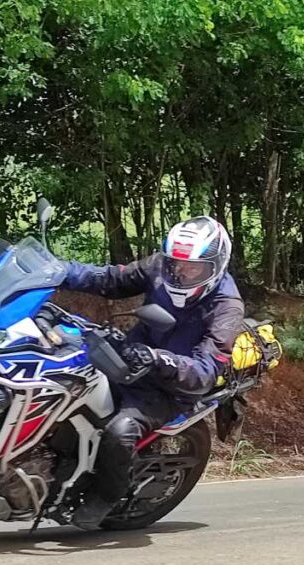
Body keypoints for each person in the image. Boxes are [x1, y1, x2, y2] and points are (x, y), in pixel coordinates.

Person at [59, 215, 245, 529]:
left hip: (171, 387)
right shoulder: (162, 266)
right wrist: (60, 271)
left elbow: (205, 370)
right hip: (130, 357)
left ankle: (106, 496)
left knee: (120, 432)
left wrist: (158, 359)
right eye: (177, 264)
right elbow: (111, 279)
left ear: (215, 266)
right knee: (61, 379)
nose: (182, 272)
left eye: (194, 268)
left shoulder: (226, 307)